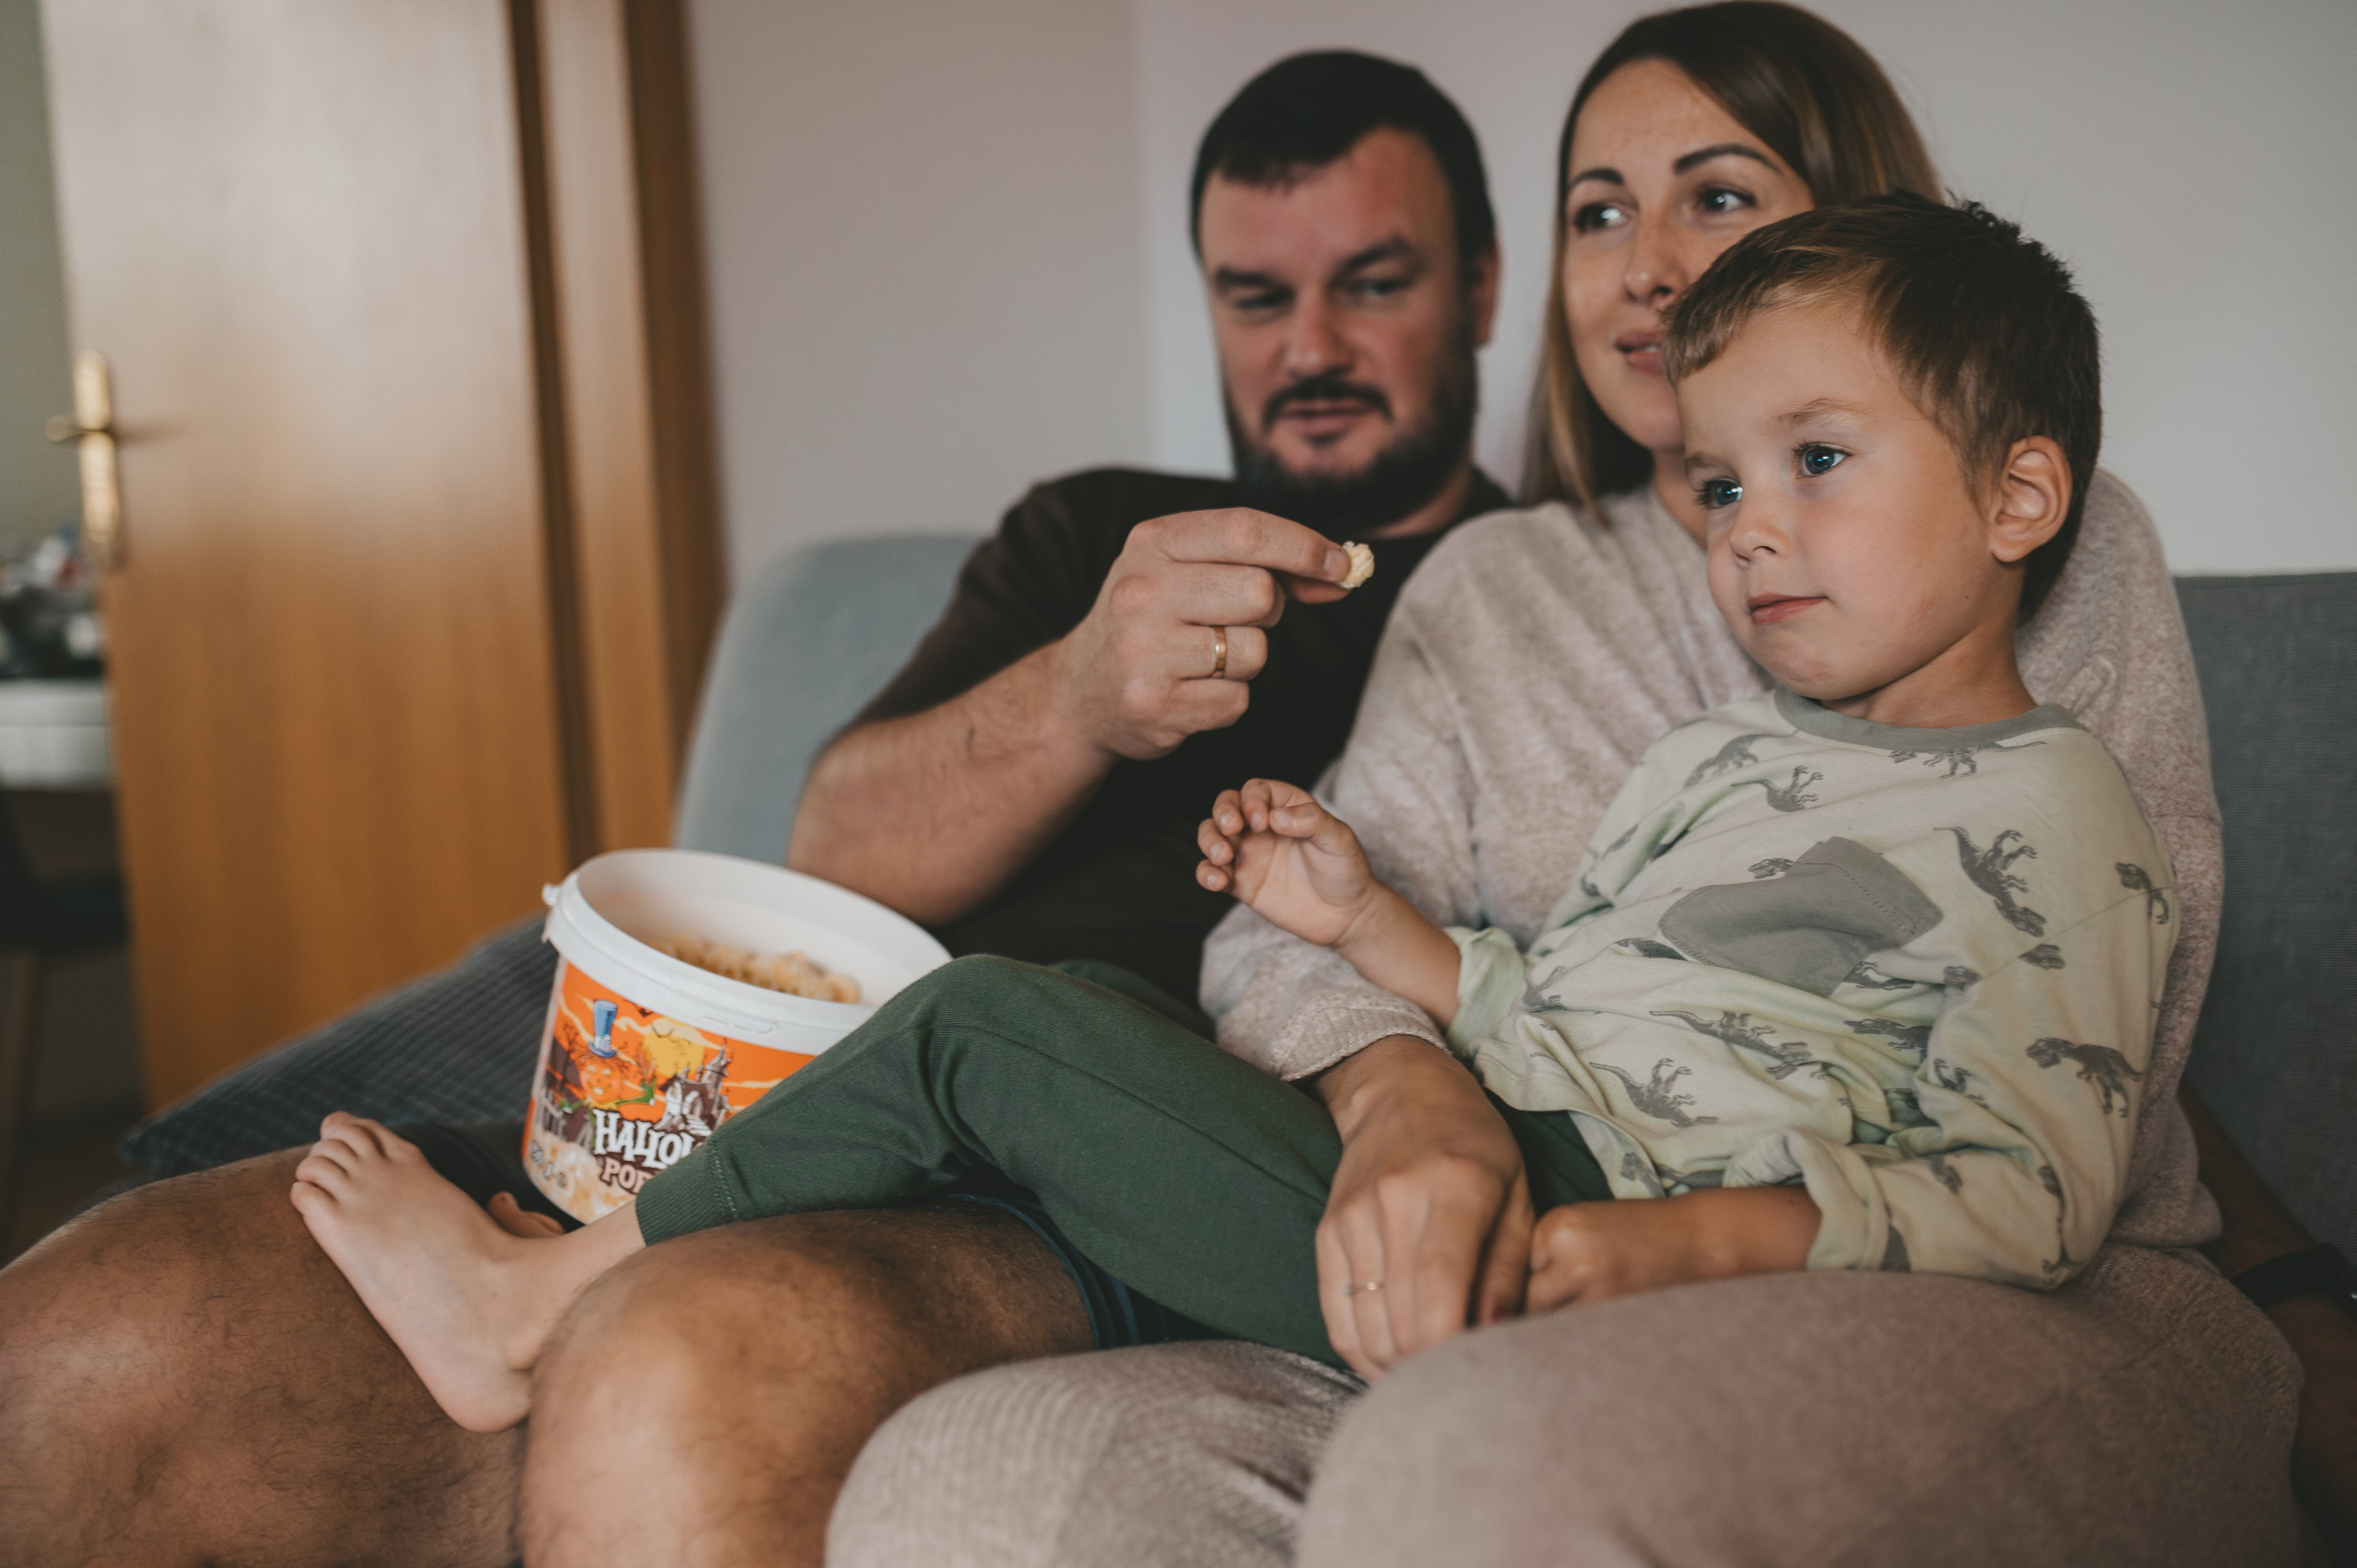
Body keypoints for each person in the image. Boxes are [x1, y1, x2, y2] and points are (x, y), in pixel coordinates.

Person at [819, 6, 2335, 1564]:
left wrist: (1692, 1233)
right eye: (1599, 210)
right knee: (962, 1478)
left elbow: (2091, 1056)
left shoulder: (2054, 568)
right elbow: (1402, 959)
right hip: (1540, 1238)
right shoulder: (1507, 595)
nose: (1647, 261)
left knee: (1476, 1472)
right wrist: (1400, 1078)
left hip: (1957, 1280)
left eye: (1719, 195)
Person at [283, 194, 2181, 1425]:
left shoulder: (2054, 806)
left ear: (2021, 501)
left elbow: (2034, 1180)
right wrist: (1367, 927)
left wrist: (1705, 1243)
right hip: (1513, 1178)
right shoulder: (1712, 766)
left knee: (980, 1028)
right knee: (1079, 1022)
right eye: (1711, 485)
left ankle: (534, 1315)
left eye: (1814, 462)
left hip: (1624, 1242)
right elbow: (1550, 1014)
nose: (1749, 523)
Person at [0, 51, 1519, 1568]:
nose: (1310, 344)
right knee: (73, 1342)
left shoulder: (1548, 600)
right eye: (1257, 298)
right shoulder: (1094, 532)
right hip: (751, 1105)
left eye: (1372, 284)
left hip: (1053, 1194)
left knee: (665, 1378)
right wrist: (1076, 698)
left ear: (1484, 288)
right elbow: (829, 855)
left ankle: (553, 1308)